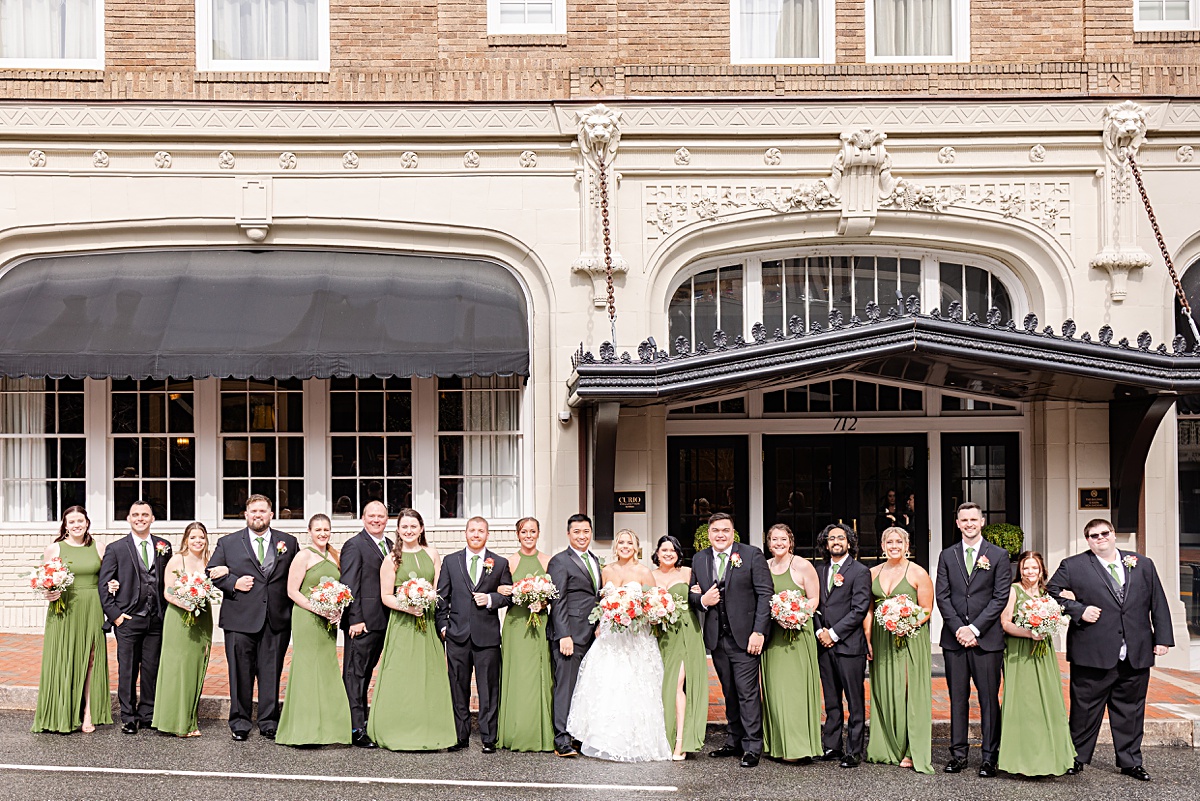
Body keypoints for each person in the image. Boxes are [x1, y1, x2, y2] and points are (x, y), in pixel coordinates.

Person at [1047, 518, 1174, 781]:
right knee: (1085, 710)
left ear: (1114, 534)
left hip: (1136, 650)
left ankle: (1130, 761)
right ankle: (1076, 758)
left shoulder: (1142, 563)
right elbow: (1050, 592)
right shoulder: (1074, 565)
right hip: (1092, 651)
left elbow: (1157, 601)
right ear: (1088, 540)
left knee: (1131, 709)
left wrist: (1162, 639)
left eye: (1104, 533)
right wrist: (1078, 610)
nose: (1100, 538)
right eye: (1094, 536)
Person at [566, 529, 671, 762]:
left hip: (635, 637)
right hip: (610, 637)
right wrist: (603, 620)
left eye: (630, 542)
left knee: (634, 686)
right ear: (616, 546)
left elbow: (652, 603)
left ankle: (634, 740)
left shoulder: (644, 572)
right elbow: (602, 601)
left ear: (636, 547)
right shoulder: (607, 570)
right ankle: (603, 738)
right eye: (621, 542)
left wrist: (638, 614)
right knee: (607, 685)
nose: (625, 546)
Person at [207, 494, 299, 741]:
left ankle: (269, 720)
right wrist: (233, 582)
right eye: (253, 511)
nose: (258, 515)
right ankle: (240, 721)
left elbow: (297, 577)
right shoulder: (228, 543)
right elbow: (211, 572)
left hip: (276, 618)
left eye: (263, 511)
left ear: (271, 514)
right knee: (240, 672)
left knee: (271, 672)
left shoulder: (288, 542)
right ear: (246, 515)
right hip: (240, 618)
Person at [367, 508, 457, 751]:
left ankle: (432, 729)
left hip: (427, 623)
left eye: (413, 526)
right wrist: (408, 607)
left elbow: (439, 590)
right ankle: (397, 728)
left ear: (421, 528)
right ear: (398, 530)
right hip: (403, 623)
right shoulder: (391, 559)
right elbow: (386, 596)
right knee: (403, 673)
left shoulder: (432, 553)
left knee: (429, 674)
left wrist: (428, 604)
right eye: (404, 527)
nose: (409, 531)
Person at [690, 512, 774, 768]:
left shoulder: (750, 555)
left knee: (747, 692)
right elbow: (693, 594)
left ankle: (751, 745)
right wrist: (702, 600)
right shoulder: (699, 558)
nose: (720, 534)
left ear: (733, 532)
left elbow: (765, 594)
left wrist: (758, 631)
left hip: (745, 637)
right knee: (728, 691)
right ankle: (734, 739)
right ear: (709, 532)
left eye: (725, 530)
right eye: (715, 530)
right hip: (717, 638)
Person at [934, 501, 1012, 777]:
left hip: (987, 640)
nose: (968, 524)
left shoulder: (999, 555)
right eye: (963, 520)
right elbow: (942, 596)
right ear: (957, 524)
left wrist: (975, 629)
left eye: (973, 520)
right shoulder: (947, 555)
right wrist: (960, 629)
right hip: (954, 640)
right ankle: (958, 755)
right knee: (958, 698)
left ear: (982, 522)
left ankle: (990, 757)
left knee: (989, 699)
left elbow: (1000, 597)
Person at [32, 506, 113, 734]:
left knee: (91, 659)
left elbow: (107, 578)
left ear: (87, 522)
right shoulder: (54, 549)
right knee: (63, 657)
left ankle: (88, 713)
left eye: (81, 520)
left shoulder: (98, 547)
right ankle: (61, 712)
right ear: (65, 526)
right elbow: (44, 581)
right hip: (64, 609)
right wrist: (48, 593)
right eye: (72, 521)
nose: (77, 525)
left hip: (92, 607)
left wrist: (113, 586)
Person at [437, 516, 513, 753]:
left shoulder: (499, 563)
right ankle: (460, 736)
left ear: (487, 534)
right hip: (457, 635)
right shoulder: (451, 561)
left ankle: (488, 737)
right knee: (458, 686)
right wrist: (443, 626)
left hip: (487, 637)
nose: (476, 534)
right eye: (472, 530)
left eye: (481, 531)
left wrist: (491, 599)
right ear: (465, 533)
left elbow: (509, 595)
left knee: (488, 688)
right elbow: (442, 597)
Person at [276, 513, 353, 747]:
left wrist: (337, 608)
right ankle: (304, 729)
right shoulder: (303, 556)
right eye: (318, 529)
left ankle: (330, 728)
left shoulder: (335, 555)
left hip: (328, 621)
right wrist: (318, 609)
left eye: (326, 529)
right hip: (307, 618)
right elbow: (292, 591)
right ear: (310, 532)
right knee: (308, 668)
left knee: (327, 668)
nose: (322, 533)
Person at [997, 550, 1075, 776]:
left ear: (1041, 570)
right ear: (1019, 570)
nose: (1030, 572)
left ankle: (1050, 756)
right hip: (1020, 651)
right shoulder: (1014, 591)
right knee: (1023, 702)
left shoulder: (1047, 592)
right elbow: (1005, 623)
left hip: (1043, 653)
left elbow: (1061, 613)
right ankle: (1020, 759)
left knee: (1047, 700)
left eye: (1034, 568)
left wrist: (1050, 624)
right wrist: (1029, 633)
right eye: (1025, 568)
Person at [99, 500, 173, 734]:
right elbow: (104, 585)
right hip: (128, 618)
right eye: (135, 515)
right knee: (128, 669)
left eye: (145, 515)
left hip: (156, 618)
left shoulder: (165, 546)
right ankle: (128, 715)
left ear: (152, 519)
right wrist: (116, 615)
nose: (140, 518)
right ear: (128, 519)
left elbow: (170, 578)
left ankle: (148, 713)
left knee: (152, 668)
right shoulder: (116, 548)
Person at [865, 526, 934, 774]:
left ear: (907, 545)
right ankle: (886, 746)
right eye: (889, 542)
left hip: (909, 638)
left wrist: (907, 623)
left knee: (908, 690)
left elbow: (926, 608)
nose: (894, 546)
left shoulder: (918, 573)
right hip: (882, 639)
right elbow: (869, 609)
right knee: (885, 690)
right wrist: (868, 639)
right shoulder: (872, 573)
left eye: (899, 542)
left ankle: (911, 749)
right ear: (882, 546)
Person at [152, 522, 227, 737]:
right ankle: (173, 722)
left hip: (202, 616)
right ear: (186, 539)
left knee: (196, 666)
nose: (198, 541)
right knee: (177, 668)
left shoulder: (209, 561)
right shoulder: (178, 560)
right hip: (179, 618)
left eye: (201, 537)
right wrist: (186, 603)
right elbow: (167, 591)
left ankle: (189, 720)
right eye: (193, 537)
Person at [761, 523, 822, 764]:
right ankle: (778, 746)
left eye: (782, 539)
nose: (778, 543)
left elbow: (814, 598)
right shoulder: (764, 567)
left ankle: (800, 746)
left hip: (798, 635)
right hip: (774, 637)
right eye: (774, 539)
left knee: (796, 691)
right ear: (768, 543)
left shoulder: (803, 566)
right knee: (776, 692)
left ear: (791, 541)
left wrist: (795, 616)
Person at [814, 523, 871, 768]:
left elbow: (859, 610)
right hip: (823, 646)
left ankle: (854, 750)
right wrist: (819, 631)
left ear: (849, 542)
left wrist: (834, 634)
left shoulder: (859, 571)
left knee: (854, 699)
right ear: (826, 543)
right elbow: (814, 605)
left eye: (841, 537)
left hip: (848, 646)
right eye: (831, 538)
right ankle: (832, 746)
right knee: (831, 699)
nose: (836, 541)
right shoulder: (818, 570)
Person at [546, 513, 603, 757]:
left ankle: (578, 734)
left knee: (584, 688)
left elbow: (595, 596)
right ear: (568, 534)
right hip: (570, 635)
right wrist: (563, 635)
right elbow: (557, 601)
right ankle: (561, 739)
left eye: (586, 531)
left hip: (592, 634)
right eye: (577, 532)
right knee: (566, 687)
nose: (582, 536)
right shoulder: (559, 561)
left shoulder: (595, 560)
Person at [496, 517, 555, 752]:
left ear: (538, 533)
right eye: (524, 531)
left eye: (532, 531)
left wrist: (543, 602)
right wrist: (501, 589)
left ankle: (540, 732)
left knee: (540, 675)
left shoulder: (548, 561)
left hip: (539, 623)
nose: (528, 535)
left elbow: (555, 594)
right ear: (517, 535)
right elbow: (498, 590)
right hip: (516, 624)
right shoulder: (508, 562)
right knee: (517, 675)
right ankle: (514, 731)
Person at [339, 499, 393, 748]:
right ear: (363, 518)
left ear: (387, 519)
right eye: (371, 516)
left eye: (380, 516)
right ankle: (354, 727)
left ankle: (364, 720)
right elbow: (349, 585)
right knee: (355, 675)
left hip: (385, 622)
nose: (376, 520)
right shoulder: (354, 545)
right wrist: (355, 618)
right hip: (362, 623)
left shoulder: (392, 546)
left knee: (368, 673)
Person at [650, 534, 707, 760]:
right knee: (662, 685)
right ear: (657, 553)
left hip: (685, 632)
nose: (668, 553)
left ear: (678, 554)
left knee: (677, 684)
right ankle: (664, 736)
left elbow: (701, 598)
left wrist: (698, 593)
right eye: (664, 550)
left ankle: (681, 741)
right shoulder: (649, 575)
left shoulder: (688, 573)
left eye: (672, 550)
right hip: (660, 635)